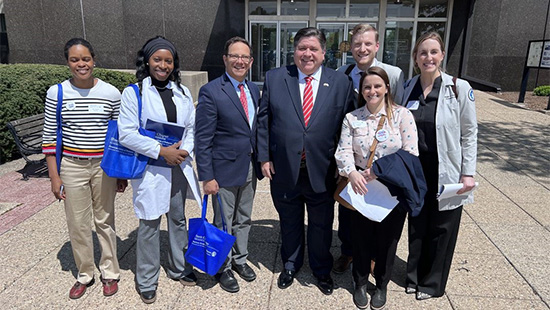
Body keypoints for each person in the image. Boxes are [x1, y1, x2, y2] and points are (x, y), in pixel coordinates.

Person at [257, 27, 355, 296]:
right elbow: (264, 121)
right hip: (284, 167)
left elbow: (349, 128)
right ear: (294, 51)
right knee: (289, 220)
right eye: (302, 48)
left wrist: (346, 167)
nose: (307, 54)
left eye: (314, 49)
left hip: (323, 170)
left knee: (322, 224)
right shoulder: (276, 78)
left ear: (324, 53)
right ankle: (290, 263)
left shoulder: (341, 83)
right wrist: (264, 156)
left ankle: (321, 269)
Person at [117, 36, 202, 304]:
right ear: (147, 61)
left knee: (177, 219)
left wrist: (184, 151)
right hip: (151, 169)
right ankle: (146, 280)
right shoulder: (134, 93)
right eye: (157, 59)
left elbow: (191, 127)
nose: (163, 65)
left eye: (168, 60)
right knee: (150, 223)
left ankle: (178, 268)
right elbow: (126, 134)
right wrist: (162, 151)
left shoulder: (183, 91)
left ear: (174, 64)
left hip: (178, 166)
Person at [42, 38, 126, 299]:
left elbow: (119, 136)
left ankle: (110, 271)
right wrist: (54, 178)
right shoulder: (56, 93)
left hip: (103, 167)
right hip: (71, 166)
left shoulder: (112, 93)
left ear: (94, 60)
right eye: (75, 59)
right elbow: (49, 138)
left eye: (86, 59)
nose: (81, 64)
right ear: (67, 62)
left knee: (105, 220)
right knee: (78, 223)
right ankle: (85, 273)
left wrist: (120, 173)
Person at [335, 66, 421, 310]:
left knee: (387, 240)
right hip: (361, 187)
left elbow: (410, 152)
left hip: (392, 189)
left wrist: (378, 171)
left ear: (386, 88)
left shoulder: (402, 115)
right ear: (361, 91)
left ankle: (381, 285)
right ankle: (360, 282)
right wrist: (351, 172)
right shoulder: (353, 118)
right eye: (367, 87)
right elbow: (343, 150)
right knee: (360, 238)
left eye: (376, 86)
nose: (371, 91)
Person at [403, 31, 477, 301]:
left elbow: (469, 133)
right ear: (415, 58)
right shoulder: (407, 87)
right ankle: (412, 276)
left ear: (442, 55)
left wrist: (468, 172)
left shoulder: (459, 88)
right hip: (415, 171)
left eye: (433, 52)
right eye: (423, 53)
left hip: (446, 169)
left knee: (442, 228)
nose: (428, 57)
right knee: (417, 224)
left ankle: (432, 284)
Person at [334, 23, 406, 275]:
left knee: (380, 207)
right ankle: (348, 251)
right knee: (348, 208)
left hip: (382, 160)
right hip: (350, 152)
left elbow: (399, 113)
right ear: (350, 47)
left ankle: (374, 255)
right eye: (357, 44)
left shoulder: (394, 74)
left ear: (377, 46)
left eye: (367, 44)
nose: (362, 49)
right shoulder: (341, 73)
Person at [195, 37, 263, 293]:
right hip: (222, 171)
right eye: (234, 56)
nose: (240, 61)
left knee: (244, 218)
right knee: (223, 221)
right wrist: (207, 176)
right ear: (225, 59)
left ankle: (240, 259)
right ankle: (222, 267)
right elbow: (203, 138)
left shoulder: (254, 90)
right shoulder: (211, 91)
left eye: (245, 57)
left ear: (251, 61)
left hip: (248, 166)